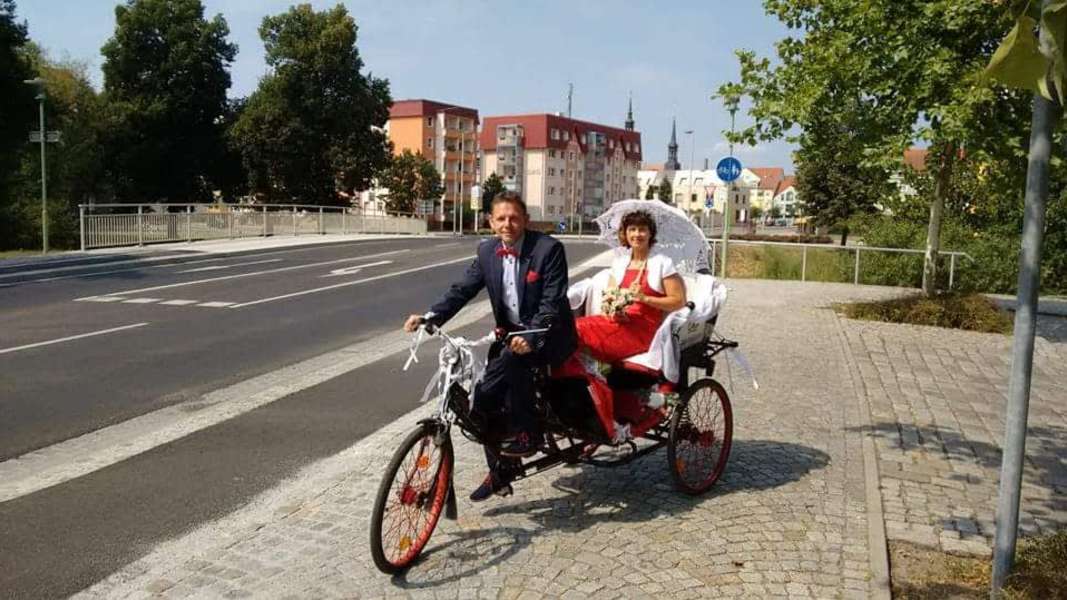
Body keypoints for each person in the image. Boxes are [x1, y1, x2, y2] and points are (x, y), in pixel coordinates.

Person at [403, 191, 577, 501]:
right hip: (511, 337)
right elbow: (462, 290)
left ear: (525, 220)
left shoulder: (548, 249)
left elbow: (552, 302)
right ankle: (500, 472)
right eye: (501, 218)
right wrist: (430, 317)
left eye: (514, 218)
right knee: (482, 399)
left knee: (512, 361)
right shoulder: (487, 251)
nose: (507, 224)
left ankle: (528, 433)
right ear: (491, 222)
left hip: (549, 335)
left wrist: (532, 336)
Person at [560, 210, 687, 438]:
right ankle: (580, 394)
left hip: (642, 331)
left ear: (650, 233)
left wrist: (645, 298)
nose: (637, 234)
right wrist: (613, 308)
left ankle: (600, 395)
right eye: (632, 229)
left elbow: (679, 301)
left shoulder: (662, 263)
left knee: (575, 331)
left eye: (642, 229)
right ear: (625, 234)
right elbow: (609, 298)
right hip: (617, 323)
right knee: (569, 327)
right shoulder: (619, 263)